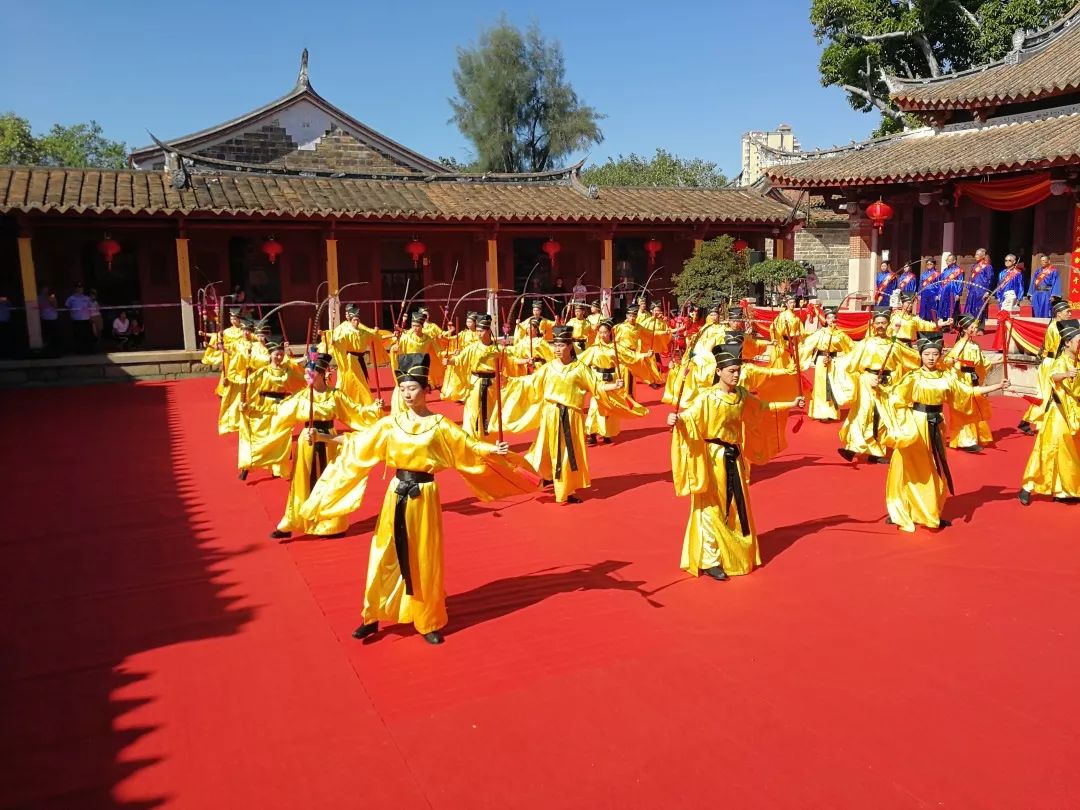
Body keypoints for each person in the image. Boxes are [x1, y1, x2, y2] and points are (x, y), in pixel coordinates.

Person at [300, 353, 535, 645]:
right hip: (396, 493)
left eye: (412, 388)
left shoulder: (440, 424)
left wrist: (494, 451)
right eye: (403, 388)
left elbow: (468, 447)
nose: (407, 393)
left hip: (424, 495)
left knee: (424, 555)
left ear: (425, 389)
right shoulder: (390, 424)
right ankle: (371, 615)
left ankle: (428, 619)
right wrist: (323, 439)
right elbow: (358, 443)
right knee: (384, 552)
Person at [667, 343, 804, 581]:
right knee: (710, 508)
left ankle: (732, 550)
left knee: (733, 505)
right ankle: (710, 559)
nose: (736, 374)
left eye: (738, 370)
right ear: (718, 371)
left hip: (734, 458)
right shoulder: (706, 398)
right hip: (712, 458)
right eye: (731, 370)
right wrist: (676, 419)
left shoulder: (741, 395)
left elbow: (761, 407)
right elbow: (689, 418)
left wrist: (791, 404)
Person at [878, 332, 1009, 532]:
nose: (931, 357)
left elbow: (967, 392)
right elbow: (894, 397)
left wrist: (997, 386)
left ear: (940, 355)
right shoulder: (912, 377)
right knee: (912, 467)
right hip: (916, 424)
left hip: (937, 423)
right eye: (927, 354)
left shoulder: (947, 377)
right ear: (920, 355)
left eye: (934, 354)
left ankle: (929, 509)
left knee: (935, 466)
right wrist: (878, 388)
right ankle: (905, 508)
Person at [263, 352, 382, 540]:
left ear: (321, 373)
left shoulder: (335, 396)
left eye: (311, 372)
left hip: (328, 440)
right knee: (303, 481)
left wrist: (373, 409)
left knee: (330, 480)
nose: (307, 376)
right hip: (308, 440)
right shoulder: (302, 396)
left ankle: (331, 524)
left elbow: (355, 412)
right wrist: (256, 410)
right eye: (306, 372)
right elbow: (281, 416)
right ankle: (292, 521)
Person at [505, 325, 624, 503]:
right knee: (544, 449)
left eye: (561, 345)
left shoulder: (579, 369)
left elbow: (597, 387)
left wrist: (614, 386)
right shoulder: (548, 368)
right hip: (550, 414)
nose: (557, 349)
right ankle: (546, 475)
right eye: (555, 345)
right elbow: (530, 383)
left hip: (572, 416)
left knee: (569, 453)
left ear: (569, 346)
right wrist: (509, 382)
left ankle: (566, 489)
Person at [1018, 319, 1080, 506]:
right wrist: (1066, 375)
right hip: (1059, 411)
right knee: (1048, 448)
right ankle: (1028, 486)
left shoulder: (1077, 360)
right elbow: (1054, 376)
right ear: (1067, 342)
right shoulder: (1061, 361)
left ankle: (1065, 489)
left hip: (1073, 412)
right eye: (1078, 341)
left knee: (1069, 449)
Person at [838, 308, 906, 464]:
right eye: (878, 323)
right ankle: (853, 447)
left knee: (883, 416)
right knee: (863, 414)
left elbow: (907, 360)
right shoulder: (866, 343)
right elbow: (852, 365)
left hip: (887, 383)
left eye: (883, 323)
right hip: (868, 382)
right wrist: (866, 378)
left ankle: (876, 451)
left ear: (888, 324)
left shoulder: (894, 344)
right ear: (873, 325)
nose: (881, 326)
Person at [237, 335, 305, 480]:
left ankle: (278, 467)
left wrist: (316, 378)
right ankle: (249, 463)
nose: (279, 357)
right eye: (276, 354)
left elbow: (302, 383)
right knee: (262, 436)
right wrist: (245, 403)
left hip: (282, 406)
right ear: (270, 355)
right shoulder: (263, 372)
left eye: (281, 354)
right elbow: (249, 388)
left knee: (280, 436)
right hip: (264, 406)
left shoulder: (288, 371)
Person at [577, 319, 649, 445]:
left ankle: (606, 433)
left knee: (611, 407)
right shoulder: (594, 349)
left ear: (610, 333)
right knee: (595, 405)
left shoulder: (616, 347)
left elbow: (630, 356)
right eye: (600, 332)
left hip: (612, 377)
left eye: (605, 332)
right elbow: (580, 361)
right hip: (598, 378)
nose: (602, 335)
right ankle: (591, 433)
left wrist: (644, 355)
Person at [943, 314, 998, 452]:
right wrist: (952, 362)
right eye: (971, 327)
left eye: (975, 326)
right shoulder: (961, 344)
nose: (975, 329)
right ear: (965, 329)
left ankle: (974, 436)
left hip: (972, 377)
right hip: (962, 378)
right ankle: (966, 440)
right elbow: (948, 360)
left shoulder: (975, 345)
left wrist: (999, 361)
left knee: (975, 407)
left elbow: (983, 362)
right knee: (965, 408)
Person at [1019, 298, 1074, 435]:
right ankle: (1027, 421)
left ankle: (1034, 422)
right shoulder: (1056, 328)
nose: (1069, 314)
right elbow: (1059, 351)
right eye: (1067, 312)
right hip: (1052, 364)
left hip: (1050, 362)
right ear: (1058, 313)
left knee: (1047, 394)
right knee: (1046, 394)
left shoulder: (1057, 325)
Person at [800, 306, 855, 422]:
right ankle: (821, 412)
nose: (831, 320)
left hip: (834, 361)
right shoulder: (821, 333)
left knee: (832, 385)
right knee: (822, 386)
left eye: (833, 318)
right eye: (829, 318)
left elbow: (851, 348)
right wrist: (799, 354)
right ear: (826, 320)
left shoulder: (840, 334)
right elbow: (808, 344)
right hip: (821, 361)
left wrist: (841, 359)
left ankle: (832, 412)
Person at [320, 303, 378, 406]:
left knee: (361, 383)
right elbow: (336, 339)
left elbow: (371, 334)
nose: (356, 321)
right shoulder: (342, 329)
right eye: (347, 313)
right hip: (348, 360)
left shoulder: (361, 329)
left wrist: (378, 333)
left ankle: (361, 402)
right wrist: (327, 336)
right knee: (346, 382)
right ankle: (343, 401)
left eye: (357, 319)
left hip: (359, 359)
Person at [963, 249, 995, 332]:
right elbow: (970, 278)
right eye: (975, 254)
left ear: (983, 256)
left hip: (981, 291)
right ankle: (970, 326)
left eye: (977, 254)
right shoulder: (974, 266)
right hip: (973, 291)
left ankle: (980, 328)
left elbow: (990, 279)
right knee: (971, 308)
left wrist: (987, 291)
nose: (975, 256)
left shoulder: (987, 267)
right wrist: (969, 289)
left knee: (980, 309)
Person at [1028, 254, 1062, 319]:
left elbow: (1056, 283)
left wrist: (1053, 295)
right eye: (1041, 261)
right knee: (1036, 310)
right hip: (1037, 293)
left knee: (1045, 310)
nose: (1042, 262)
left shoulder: (1053, 271)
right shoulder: (1038, 271)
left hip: (1046, 293)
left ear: (1049, 261)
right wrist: (1031, 294)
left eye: (1044, 260)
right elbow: (1033, 282)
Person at [937, 254, 965, 325]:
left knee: (953, 308)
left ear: (954, 261)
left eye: (949, 260)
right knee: (944, 307)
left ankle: (953, 325)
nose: (947, 262)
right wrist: (940, 293)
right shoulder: (945, 270)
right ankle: (945, 324)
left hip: (953, 292)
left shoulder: (958, 270)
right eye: (947, 260)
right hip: (944, 292)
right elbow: (941, 282)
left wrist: (958, 293)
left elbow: (960, 282)